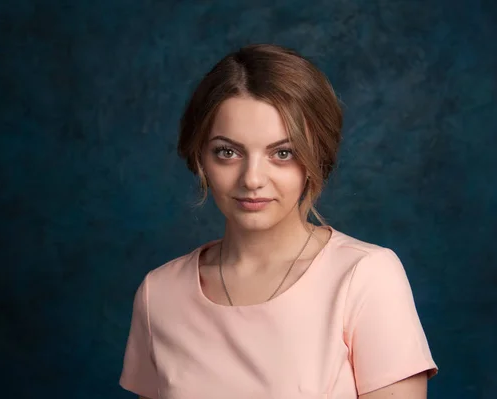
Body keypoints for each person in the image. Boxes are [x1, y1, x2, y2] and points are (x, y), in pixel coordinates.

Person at [119, 44, 438, 399]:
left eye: (282, 153)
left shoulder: (365, 276)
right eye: (228, 152)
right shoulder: (159, 294)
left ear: (316, 157)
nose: (252, 178)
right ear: (199, 157)